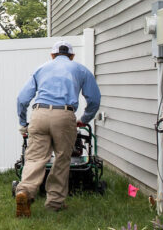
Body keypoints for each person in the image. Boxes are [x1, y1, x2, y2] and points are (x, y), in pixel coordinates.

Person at [14, 39, 100, 217]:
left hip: (39, 114)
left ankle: (25, 191)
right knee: (62, 158)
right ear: (72, 56)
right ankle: (54, 203)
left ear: (52, 55)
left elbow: (22, 99)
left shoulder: (41, 69)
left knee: (35, 158)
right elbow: (94, 99)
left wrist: (23, 122)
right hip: (64, 114)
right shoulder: (81, 69)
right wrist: (84, 119)